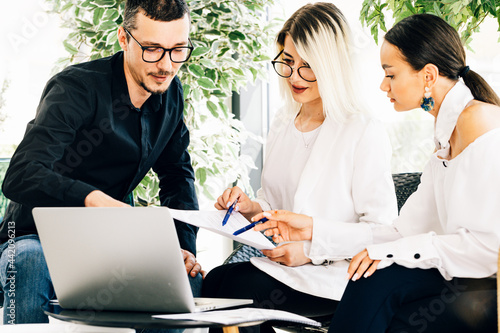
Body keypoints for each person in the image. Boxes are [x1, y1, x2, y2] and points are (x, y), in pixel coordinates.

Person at [0, 0, 204, 325]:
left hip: (111, 241)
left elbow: (177, 175)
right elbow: (21, 176)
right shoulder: (77, 88)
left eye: (178, 49)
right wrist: (93, 199)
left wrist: (180, 248)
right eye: (152, 49)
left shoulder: (171, 94)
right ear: (124, 39)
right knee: (28, 263)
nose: (166, 65)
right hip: (33, 235)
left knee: (185, 280)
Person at [202, 3, 397, 332]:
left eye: (307, 66)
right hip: (286, 267)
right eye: (288, 62)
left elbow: (382, 231)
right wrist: (250, 207)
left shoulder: (362, 130)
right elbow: (275, 203)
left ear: (330, 66)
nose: (294, 76)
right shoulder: (283, 120)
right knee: (215, 285)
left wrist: (310, 250)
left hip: (338, 276)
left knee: (236, 294)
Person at [321, 14, 499, 332]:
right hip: (466, 281)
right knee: (389, 306)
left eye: (390, 74)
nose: (382, 85)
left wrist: (389, 253)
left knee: (378, 276)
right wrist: (311, 234)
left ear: (428, 75)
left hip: (491, 289)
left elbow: (489, 249)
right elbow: (403, 232)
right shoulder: (446, 137)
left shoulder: (480, 122)